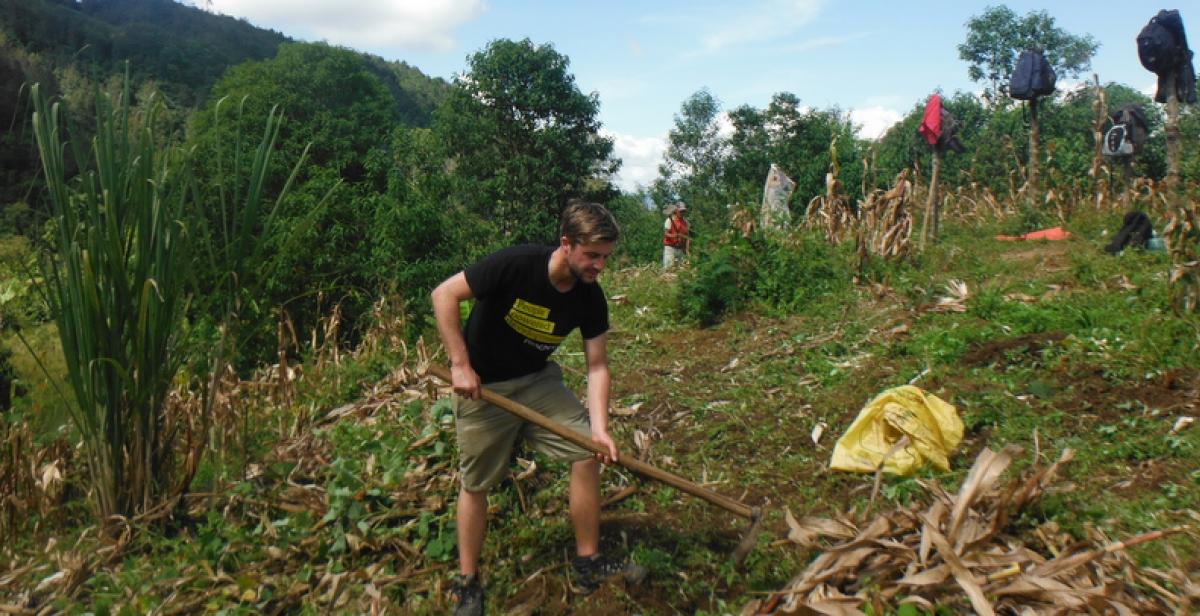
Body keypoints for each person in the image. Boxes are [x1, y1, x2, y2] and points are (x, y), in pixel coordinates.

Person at [431, 200, 647, 616]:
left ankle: (588, 564)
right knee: (476, 483)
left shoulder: (590, 298)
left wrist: (600, 430)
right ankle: (468, 582)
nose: (599, 266)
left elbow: (597, 365)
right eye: (592, 255)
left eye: (605, 257)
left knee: (587, 452)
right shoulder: (516, 264)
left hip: (537, 383)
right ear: (566, 243)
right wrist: (460, 365)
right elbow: (444, 294)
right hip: (485, 388)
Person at [662, 201, 690, 268]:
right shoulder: (669, 220)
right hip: (670, 248)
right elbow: (666, 234)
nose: (682, 213)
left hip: (680, 249)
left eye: (683, 211)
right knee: (669, 269)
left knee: (682, 269)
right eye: (680, 211)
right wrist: (675, 236)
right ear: (676, 211)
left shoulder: (686, 222)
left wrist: (687, 250)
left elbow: (687, 237)